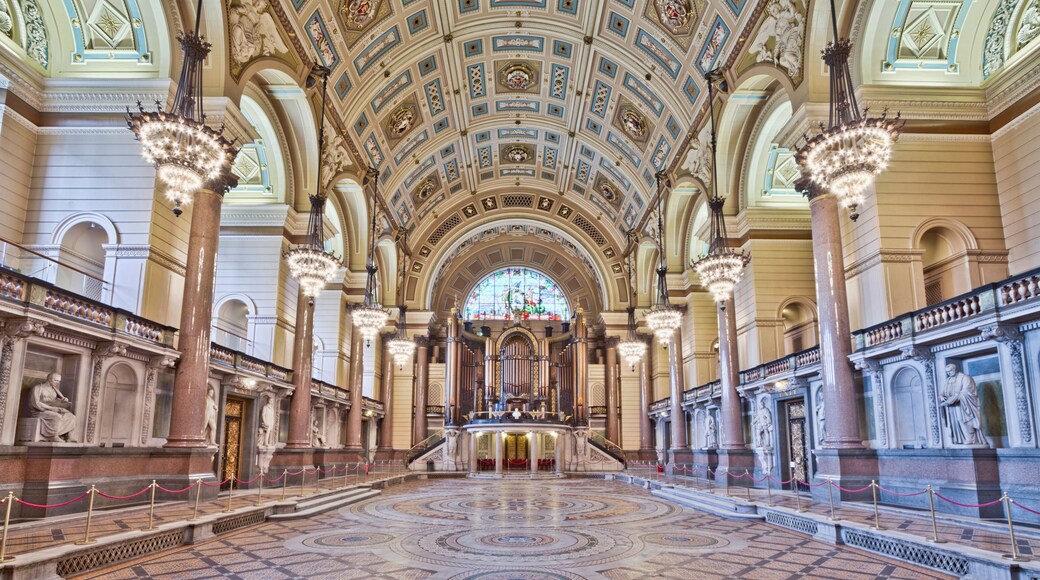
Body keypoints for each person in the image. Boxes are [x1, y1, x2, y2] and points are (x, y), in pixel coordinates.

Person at [941, 363, 987, 446]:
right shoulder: (948, 380)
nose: (949, 373)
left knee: (964, 419)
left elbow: (967, 391)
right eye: (947, 372)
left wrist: (953, 399)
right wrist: (941, 397)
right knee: (956, 422)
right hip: (952, 406)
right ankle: (963, 438)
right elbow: (943, 392)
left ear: (955, 369)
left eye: (950, 371)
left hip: (964, 404)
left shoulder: (965, 378)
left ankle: (971, 439)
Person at [28, 373, 76, 442]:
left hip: (53, 409)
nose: (57, 382)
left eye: (58, 381)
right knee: (57, 416)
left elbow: (57, 400)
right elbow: (36, 402)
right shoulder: (38, 388)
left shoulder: (55, 389)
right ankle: (53, 436)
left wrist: (64, 400)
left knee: (71, 416)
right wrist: (51, 408)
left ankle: (69, 436)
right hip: (40, 411)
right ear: (49, 379)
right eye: (56, 380)